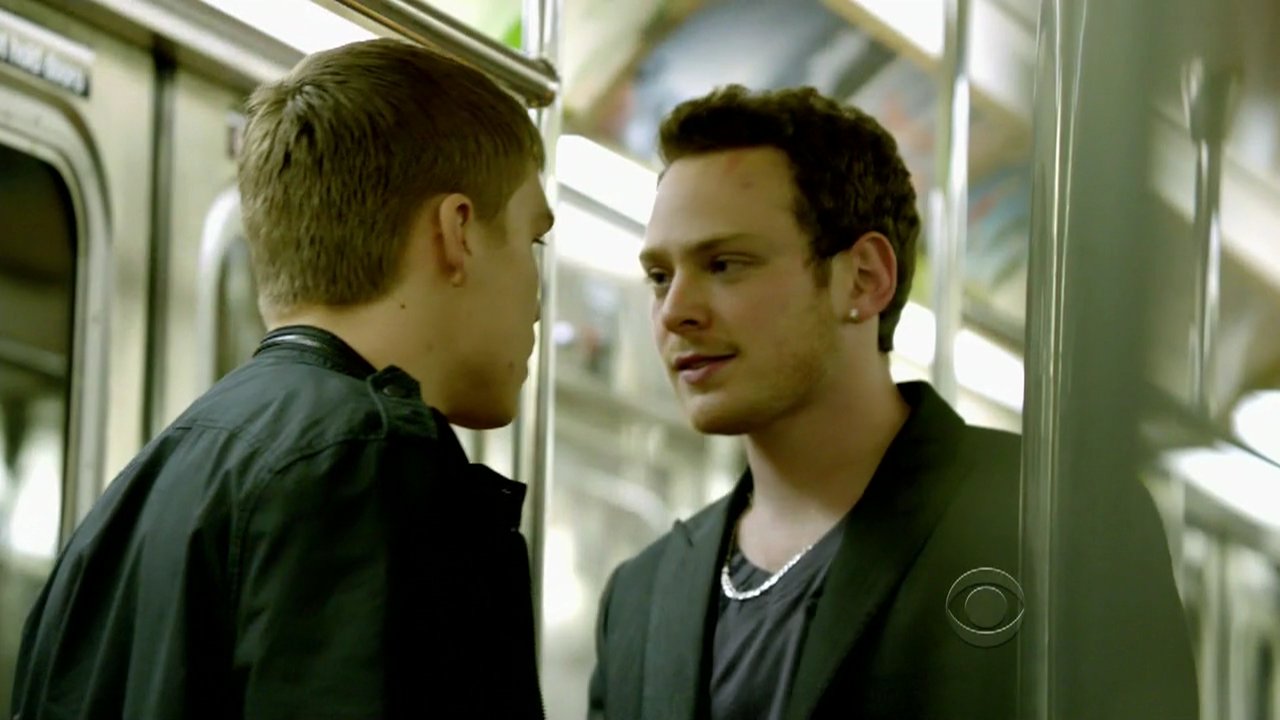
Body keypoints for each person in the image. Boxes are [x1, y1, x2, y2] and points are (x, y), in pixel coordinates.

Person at [586, 85, 1198, 719]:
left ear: (864, 279)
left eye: (725, 264)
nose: (675, 311)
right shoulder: (639, 601)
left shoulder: (1055, 528)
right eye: (660, 277)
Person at [12, 38, 553, 719]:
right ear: (458, 231)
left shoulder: (136, 496)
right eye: (533, 241)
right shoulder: (366, 462)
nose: (539, 299)